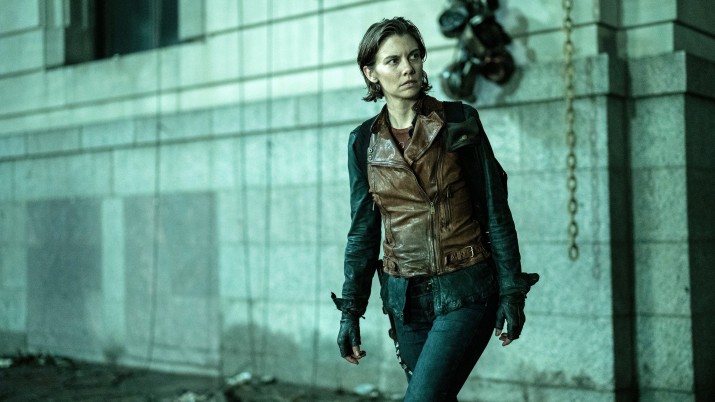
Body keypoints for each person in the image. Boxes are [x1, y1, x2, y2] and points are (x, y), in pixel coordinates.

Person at [332, 17, 538, 401]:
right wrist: (351, 311)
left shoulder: (458, 120)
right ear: (371, 73)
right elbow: (363, 231)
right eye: (393, 60)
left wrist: (512, 292)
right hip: (405, 301)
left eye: (414, 56)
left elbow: (495, 208)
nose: (408, 68)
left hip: (465, 290)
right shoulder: (363, 142)